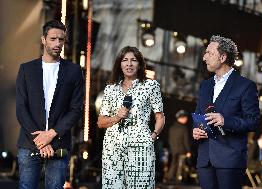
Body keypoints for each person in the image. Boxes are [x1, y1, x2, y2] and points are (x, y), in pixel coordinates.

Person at [16, 20, 84, 189]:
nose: (57, 43)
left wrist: (52, 134)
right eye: (53, 39)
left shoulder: (74, 71)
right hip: (29, 142)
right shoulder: (26, 69)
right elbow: (21, 108)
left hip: (59, 143)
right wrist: (40, 140)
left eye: (61, 40)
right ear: (43, 40)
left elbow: (76, 109)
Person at [192, 35, 260, 189]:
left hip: (230, 161)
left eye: (209, 53)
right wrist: (196, 130)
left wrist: (225, 120)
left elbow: (253, 121)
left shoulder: (245, 86)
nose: (204, 57)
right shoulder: (205, 85)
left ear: (222, 57)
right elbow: (198, 116)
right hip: (205, 160)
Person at [97, 46, 165, 188]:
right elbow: (101, 122)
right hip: (112, 147)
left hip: (141, 145)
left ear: (140, 65)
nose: (129, 64)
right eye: (125, 60)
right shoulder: (110, 89)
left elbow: (160, 117)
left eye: (133, 60)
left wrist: (152, 136)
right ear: (120, 64)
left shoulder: (150, 86)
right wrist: (116, 117)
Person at [168, 110, 192, 183]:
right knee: (181, 166)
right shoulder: (184, 128)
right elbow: (186, 141)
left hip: (173, 149)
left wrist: (171, 148)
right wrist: (188, 151)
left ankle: (170, 178)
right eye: (185, 117)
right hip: (182, 150)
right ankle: (179, 180)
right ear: (181, 118)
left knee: (173, 164)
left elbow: (169, 140)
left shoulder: (171, 128)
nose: (186, 119)